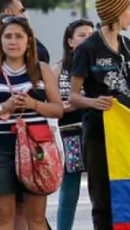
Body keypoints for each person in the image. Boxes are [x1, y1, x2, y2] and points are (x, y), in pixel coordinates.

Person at [0, 16, 63, 230]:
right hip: (0, 147)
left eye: (19, 36)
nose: (13, 42)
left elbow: (58, 109)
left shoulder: (42, 69)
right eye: (8, 37)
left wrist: (33, 104)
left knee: (36, 216)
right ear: (0, 41)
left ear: (28, 41)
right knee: (2, 214)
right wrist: (3, 107)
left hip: (37, 147)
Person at [69, 0, 130, 230]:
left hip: (129, 130)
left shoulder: (127, 44)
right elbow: (73, 96)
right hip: (99, 132)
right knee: (102, 197)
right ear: (116, 12)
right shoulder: (87, 49)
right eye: (128, 9)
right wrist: (93, 102)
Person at [53, 19, 94, 230]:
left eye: (91, 35)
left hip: (95, 132)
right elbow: (47, 102)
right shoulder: (59, 69)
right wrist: (60, 106)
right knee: (70, 191)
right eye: (82, 35)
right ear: (70, 41)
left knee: (100, 190)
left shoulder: (98, 66)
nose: (87, 39)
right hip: (69, 133)